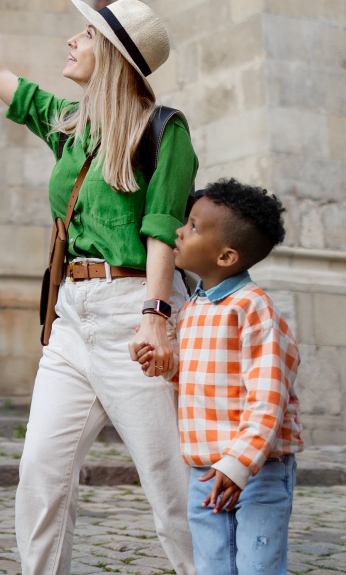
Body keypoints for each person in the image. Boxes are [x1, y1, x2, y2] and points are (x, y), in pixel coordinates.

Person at [0, 0, 197, 575]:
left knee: (169, 483)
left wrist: (156, 315)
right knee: (41, 474)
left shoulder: (164, 131)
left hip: (135, 315)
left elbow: (161, 230)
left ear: (115, 58)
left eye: (87, 35)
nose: (72, 40)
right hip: (72, 319)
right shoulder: (70, 127)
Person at [136, 178, 303, 575]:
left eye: (192, 226)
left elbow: (269, 397)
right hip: (204, 467)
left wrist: (239, 463)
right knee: (212, 564)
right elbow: (196, 378)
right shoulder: (193, 308)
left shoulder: (252, 308)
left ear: (226, 256)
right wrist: (165, 365)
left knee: (258, 564)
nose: (179, 229)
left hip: (258, 469)